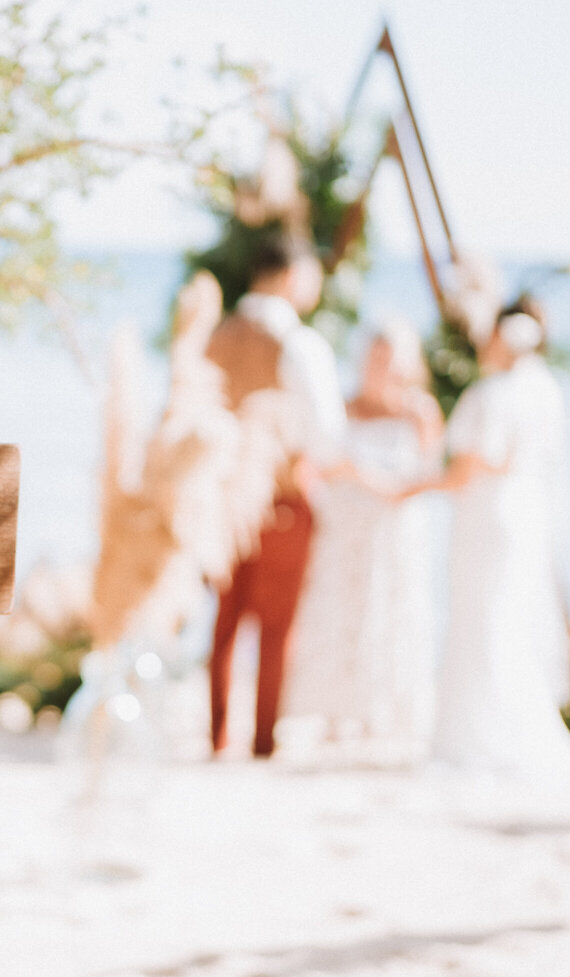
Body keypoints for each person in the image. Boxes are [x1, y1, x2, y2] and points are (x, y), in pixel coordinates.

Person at [401, 301, 570, 777]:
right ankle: (506, 725)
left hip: (487, 520)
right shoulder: (546, 390)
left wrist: (412, 486)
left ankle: (475, 734)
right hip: (523, 520)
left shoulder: (492, 394)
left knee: (481, 618)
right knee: (508, 619)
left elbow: (477, 464)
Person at [204, 232, 345, 758]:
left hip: (220, 497)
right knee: (277, 627)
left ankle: (217, 736)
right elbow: (327, 435)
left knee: (225, 622)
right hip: (282, 494)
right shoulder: (300, 344)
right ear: (292, 275)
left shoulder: (216, 335)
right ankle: (263, 742)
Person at [280, 319, 442, 757]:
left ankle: (386, 711)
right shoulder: (344, 407)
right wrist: (360, 480)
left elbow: (434, 473)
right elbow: (321, 464)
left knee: (392, 613)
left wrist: (392, 490)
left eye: (391, 360)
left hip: (396, 531)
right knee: (341, 612)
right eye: (376, 358)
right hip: (347, 528)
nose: (382, 368)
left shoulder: (420, 411)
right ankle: (336, 711)